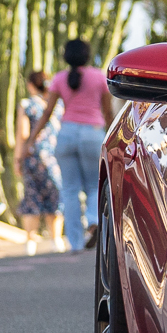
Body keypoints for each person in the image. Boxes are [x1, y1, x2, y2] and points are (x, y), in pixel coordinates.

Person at [51, 39, 116, 250]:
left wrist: (29, 141)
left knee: (69, 190)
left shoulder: (59, 79)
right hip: (92, 134)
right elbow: (107, 112)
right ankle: (93, 219)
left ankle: (75, 243)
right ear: (87, 55)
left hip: (67, 133)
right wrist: (114, 134)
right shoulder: (99, 77)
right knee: (93, 185)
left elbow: (46, 113)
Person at [15, 71, 61, 248]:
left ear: (30, 85)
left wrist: (18, 159)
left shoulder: (27, 105)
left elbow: (23, 134)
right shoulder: (57, 105)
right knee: (55, 197)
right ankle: (56, 240)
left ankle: (30, 242)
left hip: (32, 157)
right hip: (54, 156)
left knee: (32, 197)